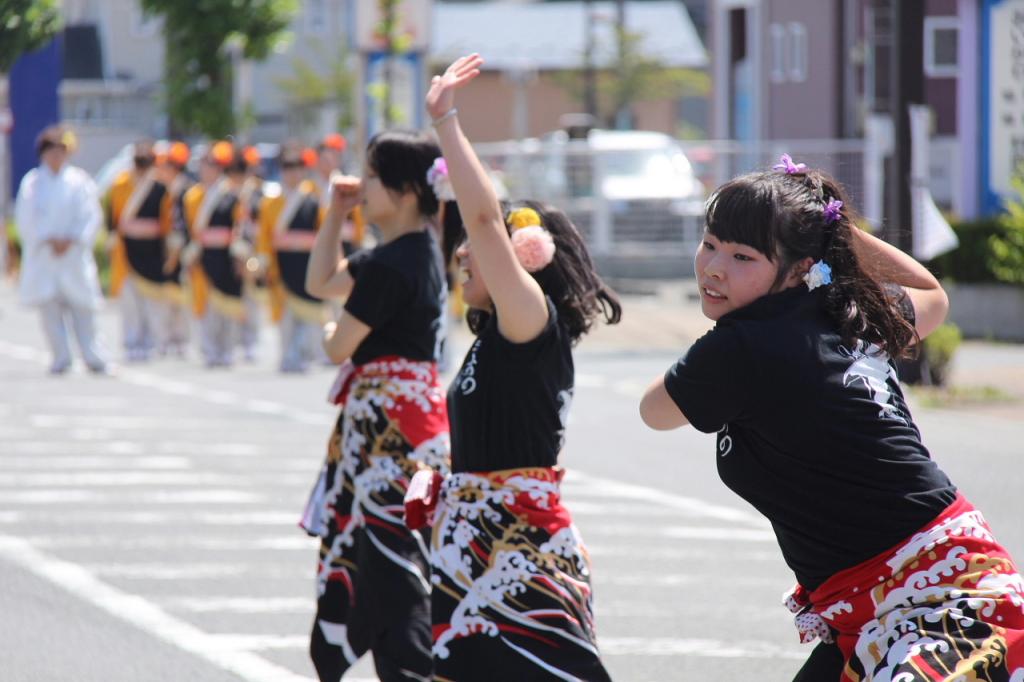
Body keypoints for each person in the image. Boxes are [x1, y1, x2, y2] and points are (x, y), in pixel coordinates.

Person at [639, 155, 1024, 681]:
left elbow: (654, 411)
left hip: (934, 595)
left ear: (801, 267)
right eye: (709, 244)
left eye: (743, 256)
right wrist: (831, 229)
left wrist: (827, 229)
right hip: (926, 577)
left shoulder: (744, 346)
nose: (714, 268)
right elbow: (933, 296)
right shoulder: (849, 311)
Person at [425, 55, 620, 681]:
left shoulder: (530, 321)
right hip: (472, 542)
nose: (463, 252)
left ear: (521, 257)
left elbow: (484, 220)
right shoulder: (494, 339)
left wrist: (447, 122)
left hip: (520, 545)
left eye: (477, 248)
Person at [298, 129, 451, 682]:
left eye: (370, 176)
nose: (361, 185)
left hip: (390, 435)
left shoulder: (396, 263)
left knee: (389, 563)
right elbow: (322, 280)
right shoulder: (412, 251)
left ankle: (404, 665)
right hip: (404, 428)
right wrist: (336, 213)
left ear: (406, 190)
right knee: (392, 557)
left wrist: (332, 331)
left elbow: (338, 345)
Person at [15, 124, 110, 374]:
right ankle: (60, 357)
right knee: (50, 310)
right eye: (51, 152)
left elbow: (90, 215)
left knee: (84, 308)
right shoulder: (33, 182)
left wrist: (72, 239)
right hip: (46, 254)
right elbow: (26, 218)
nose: (56, 157)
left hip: (73, 254)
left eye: (60, 151)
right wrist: (48, 239)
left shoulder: (79, 181)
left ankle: (94, 356)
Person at [256, 143, 324, 373]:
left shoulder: (313, 201)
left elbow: (323, 233)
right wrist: (263, 262)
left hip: (307, 263)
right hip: (282, 264)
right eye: (287, 167)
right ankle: (286, 355)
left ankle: (304, 355)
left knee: (308, 316)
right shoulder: (270, 203)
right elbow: (264, 237)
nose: (293, 172)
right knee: (284, 316)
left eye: (297, 166)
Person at [106, 138, 174, 361]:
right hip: (127, 250)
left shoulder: (160, 187)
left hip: (152, 250)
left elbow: (167, 222)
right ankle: (131, 342)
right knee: (130, 301)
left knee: (153, 301)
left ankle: (152, 341)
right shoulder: (120, 185)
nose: (142, 168)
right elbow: (113, 218)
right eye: (139, 162)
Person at [180, 142, 247, 368]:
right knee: (206, 305)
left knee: (227, 306)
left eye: (211, 165)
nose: (206, 170)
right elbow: (188, 229)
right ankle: (209, 349)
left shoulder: (232, 194)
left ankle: (227, 349)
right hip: (202, 254)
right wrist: (189, 251)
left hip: (226, 255)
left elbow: (240, 227)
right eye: (204, 165)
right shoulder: (192, 196)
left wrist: (240, 254)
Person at [157, 141, 194, 357]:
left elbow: (181, 228)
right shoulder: (169, 190)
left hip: (181, 250)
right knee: (169, 298)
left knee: (181, 297)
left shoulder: (185, 191)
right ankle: (168, 338)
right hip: (171, 248)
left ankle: (181, 339)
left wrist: (174, 255)